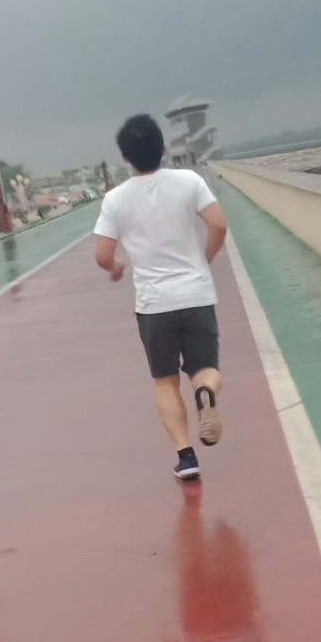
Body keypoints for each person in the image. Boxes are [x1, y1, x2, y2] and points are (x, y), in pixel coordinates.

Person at [93, 115, 229, 480]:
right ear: (164, 149)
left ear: (126, 158)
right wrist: (205, 258)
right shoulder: (189, 181)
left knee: (166, 381)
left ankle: (186, 457)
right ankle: (205, 392)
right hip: (196, 295)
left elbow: (103, 256)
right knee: (205, 370)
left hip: (154, 305)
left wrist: (116, 268)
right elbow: (218, 224)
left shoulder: (115, 199)